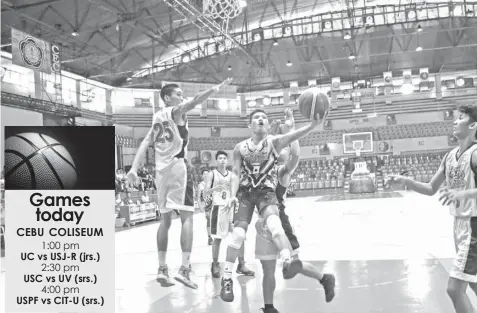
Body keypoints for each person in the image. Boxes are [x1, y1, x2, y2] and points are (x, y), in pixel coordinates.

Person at [128, 78, 232, 289]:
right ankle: (185, 269)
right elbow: (192, 103)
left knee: (164, 222)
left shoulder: (156, 117)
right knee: (187, 217)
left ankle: (162, 268)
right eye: (178, 93)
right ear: (167, 98)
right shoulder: (176, 112)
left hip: (160, 171)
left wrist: (133, 168)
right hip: (177, 168)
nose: (181, 96)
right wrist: (214, 88)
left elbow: (146, 142)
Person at [220, 108, 326, 302]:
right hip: (244, 193)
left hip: (266, 192)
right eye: (256, 118)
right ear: (249, 125)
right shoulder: (239, 148)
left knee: (275, 225)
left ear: (268, 126)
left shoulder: (274, 143)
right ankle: (226, 277)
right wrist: (232, 195)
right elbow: (235, 173)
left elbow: (293, 137)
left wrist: (311, 126)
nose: (260, 119)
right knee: (238, 234)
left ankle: (287, 262)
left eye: (264, 117)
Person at [386, 104, 477, 313]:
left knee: (455, 289)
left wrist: (463, 193)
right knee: (471, 281)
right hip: (460, 226)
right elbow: (430, 189)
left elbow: (463, 193)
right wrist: (405, 180)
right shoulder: (450, 156)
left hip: (474, 226)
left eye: (460, 118)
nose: (455, 121)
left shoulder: (475, 154)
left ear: (473, 125)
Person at [254, 109, 335, 313]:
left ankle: (324, 279)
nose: (282, 152)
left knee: (291, 265)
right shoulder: (260, 166)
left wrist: (291, 127)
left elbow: (296, 154)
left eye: (285, 150)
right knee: (268, 268)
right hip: (262, 222)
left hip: (279, 220)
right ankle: (269, 307)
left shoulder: (283, 172)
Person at [203, 151, 254, 278]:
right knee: (217, 239)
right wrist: (215, 189)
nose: (222, 160)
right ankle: (215, 264)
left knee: (239, 236)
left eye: (224, 158)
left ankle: (241, 264)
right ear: (216, 161)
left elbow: (235, 192)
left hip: (231, 208)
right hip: (217, 208)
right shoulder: (212, 174)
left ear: (227, 160)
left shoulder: (232, 175)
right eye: (220, 158)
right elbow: (205, 192)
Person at [197, 168, 213, 245]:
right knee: (209, 220)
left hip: (215, 204)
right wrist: (200, 206)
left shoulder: (213, 183)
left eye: (207, 174)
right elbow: (198, 197)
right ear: (202, 176)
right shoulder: (200, 185)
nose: (206, 175)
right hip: (207, 205)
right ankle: (210, 237)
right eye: (204, 174)